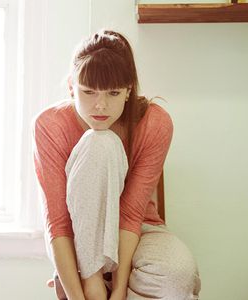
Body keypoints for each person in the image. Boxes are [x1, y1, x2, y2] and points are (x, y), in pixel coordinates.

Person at [33, 29, 201, 300]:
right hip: (80, 238)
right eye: (88, 92)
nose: (100, 105)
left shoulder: (156, 123)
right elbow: (58, 221)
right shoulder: (48, 125)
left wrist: (120, 288)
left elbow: (132, 214)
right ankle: (90, 278)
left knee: (177, 276)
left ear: (128, 91)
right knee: (100, 142)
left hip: (139, 230)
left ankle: (108, 282)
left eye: (113, 93)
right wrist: (86, 286)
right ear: (70, 87)